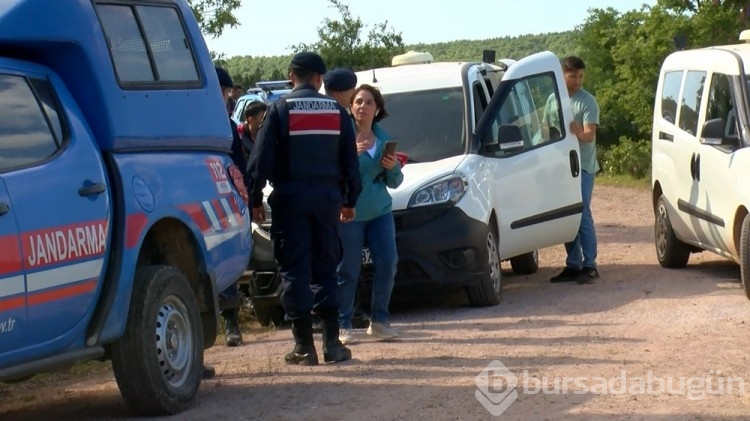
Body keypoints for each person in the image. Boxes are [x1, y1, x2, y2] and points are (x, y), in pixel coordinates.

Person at [247, 52, 362, 366]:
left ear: (291, 76)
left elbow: (259, 162)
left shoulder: (280, 110)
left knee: (295, 270)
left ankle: (304, 347)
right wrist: (349, 201)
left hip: (290, 200)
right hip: (327, 201)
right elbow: (351, 165)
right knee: (326, 268)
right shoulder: (338, 113)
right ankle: (333, 345)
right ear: (320, 79)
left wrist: (254, 200)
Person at [337, 84, 403, 344]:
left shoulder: (384, 140)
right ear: (350, 107)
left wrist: (393, 167)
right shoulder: (342, 139)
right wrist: (349, 157)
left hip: (380, 212)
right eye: (358, 102)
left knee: (388, 263)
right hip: (350, 213)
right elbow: (333, 175)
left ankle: (379, 320)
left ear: (377, 110)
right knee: (348, 270)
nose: (362, 107)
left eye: (368, 103)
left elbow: (394, 182)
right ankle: (343, 325)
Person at [549, 56, 601, 285]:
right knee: (567, 214)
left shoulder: (587, 102)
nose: (577, 81)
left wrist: (579, 131)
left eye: (580, 76)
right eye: (572, 77)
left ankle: (589, 265)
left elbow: (590, 136)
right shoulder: (553, 100)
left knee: (582, 213)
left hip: (583, 167)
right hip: (560, 168)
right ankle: (572, 263)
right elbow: (547, 132)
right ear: (562, 75)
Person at [214, 67, 245, 347]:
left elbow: (240, 165)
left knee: (227, 259)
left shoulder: (229, 125)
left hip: (225, 200)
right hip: (204, 201)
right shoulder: (202, 122)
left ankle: (231, 321)